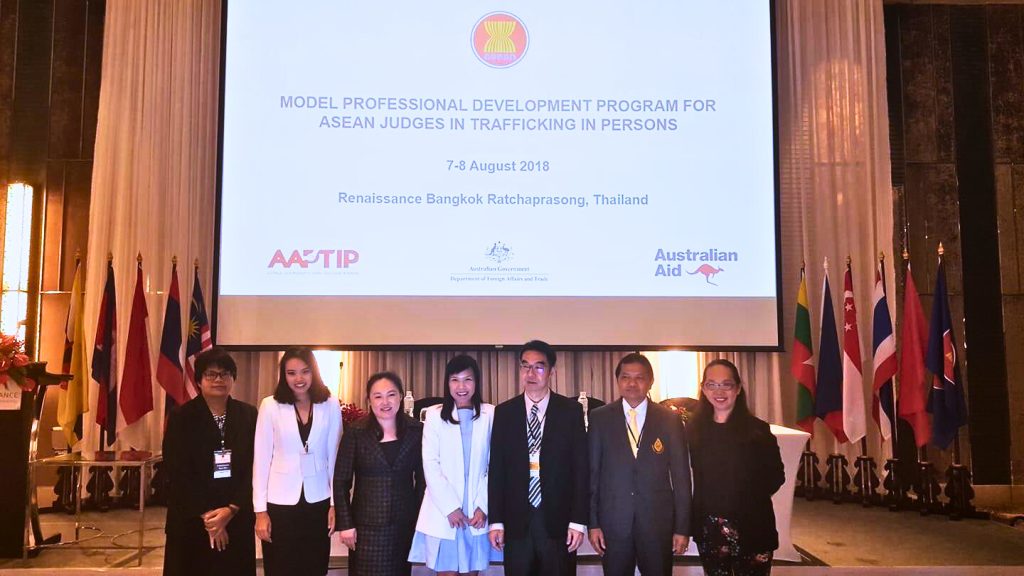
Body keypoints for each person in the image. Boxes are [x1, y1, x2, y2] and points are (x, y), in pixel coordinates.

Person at [488, 340, 588, 576]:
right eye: (525, 366)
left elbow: (581, 469)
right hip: (516, 518)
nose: (530, 373)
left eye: (538, 367)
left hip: (558, 518)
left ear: (552, 371)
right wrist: (496, 521)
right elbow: (497, 470)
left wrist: (577, 521)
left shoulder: (570, 411)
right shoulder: (504, 412)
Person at [588, 353, 692, 576]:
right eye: (625, 377)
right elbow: (593, 474)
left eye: (639, 378)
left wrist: (682, 528)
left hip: (657, 524)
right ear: (618, 380)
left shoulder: (669, 419)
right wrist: (593, 523)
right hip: (613, 524)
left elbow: (682, 478)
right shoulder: (599, 418)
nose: (632, 383)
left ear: (650, 381)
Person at [163, 347, 258, 576]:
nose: (218, 379)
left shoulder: (249, 415)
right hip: (191, 518)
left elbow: (255, 467)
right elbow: (176, 470)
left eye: (225, 374)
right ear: (198, 380)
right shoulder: (181, 417)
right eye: (211, 374)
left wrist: (230, 510)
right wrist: (210, 517)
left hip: (236, 516)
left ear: (233, 378)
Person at [689, 359, 784, 576]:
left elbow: (776, 476)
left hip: (752, 524)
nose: (719, 391)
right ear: (703, 388)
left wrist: (744, 497)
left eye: (726, 384)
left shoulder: (758, 431)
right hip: (710, 528)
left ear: (738, 388)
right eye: (712, 384)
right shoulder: (694, 430)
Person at [253, 348, 342, 576]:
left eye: (305, 371)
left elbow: (335, 457)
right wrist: (260, 511)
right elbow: (261, 460)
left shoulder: (330, 404)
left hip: (319, 500)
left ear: (315, 372)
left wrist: (335, 504)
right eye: (291, 373)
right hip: (280, 503)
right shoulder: (270, 405)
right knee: (281, 567)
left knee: (314, 566)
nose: (299, 379)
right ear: (283, 375)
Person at [409, 355, 494, 575]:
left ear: (477, 382)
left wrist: (483, 505)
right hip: (443, 510)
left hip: (476, 509)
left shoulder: (491, 414)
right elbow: (430, 464)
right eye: (455, 380)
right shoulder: (434, 416)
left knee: (472, 570)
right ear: (447, 383)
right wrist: (450, 507)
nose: (461, 387)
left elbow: (494, 465)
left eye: (467, 379)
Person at [335, 372, 425, 576]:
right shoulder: (356, 432)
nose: (385, 402)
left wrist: (420, 520)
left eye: (391, 394)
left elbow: (422, 481)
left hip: (403, 525)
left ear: (401, 396)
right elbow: (341, 481)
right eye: (378, 396)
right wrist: (346, 524)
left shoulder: (416, 431)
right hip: (366, 527)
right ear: (369, 400)